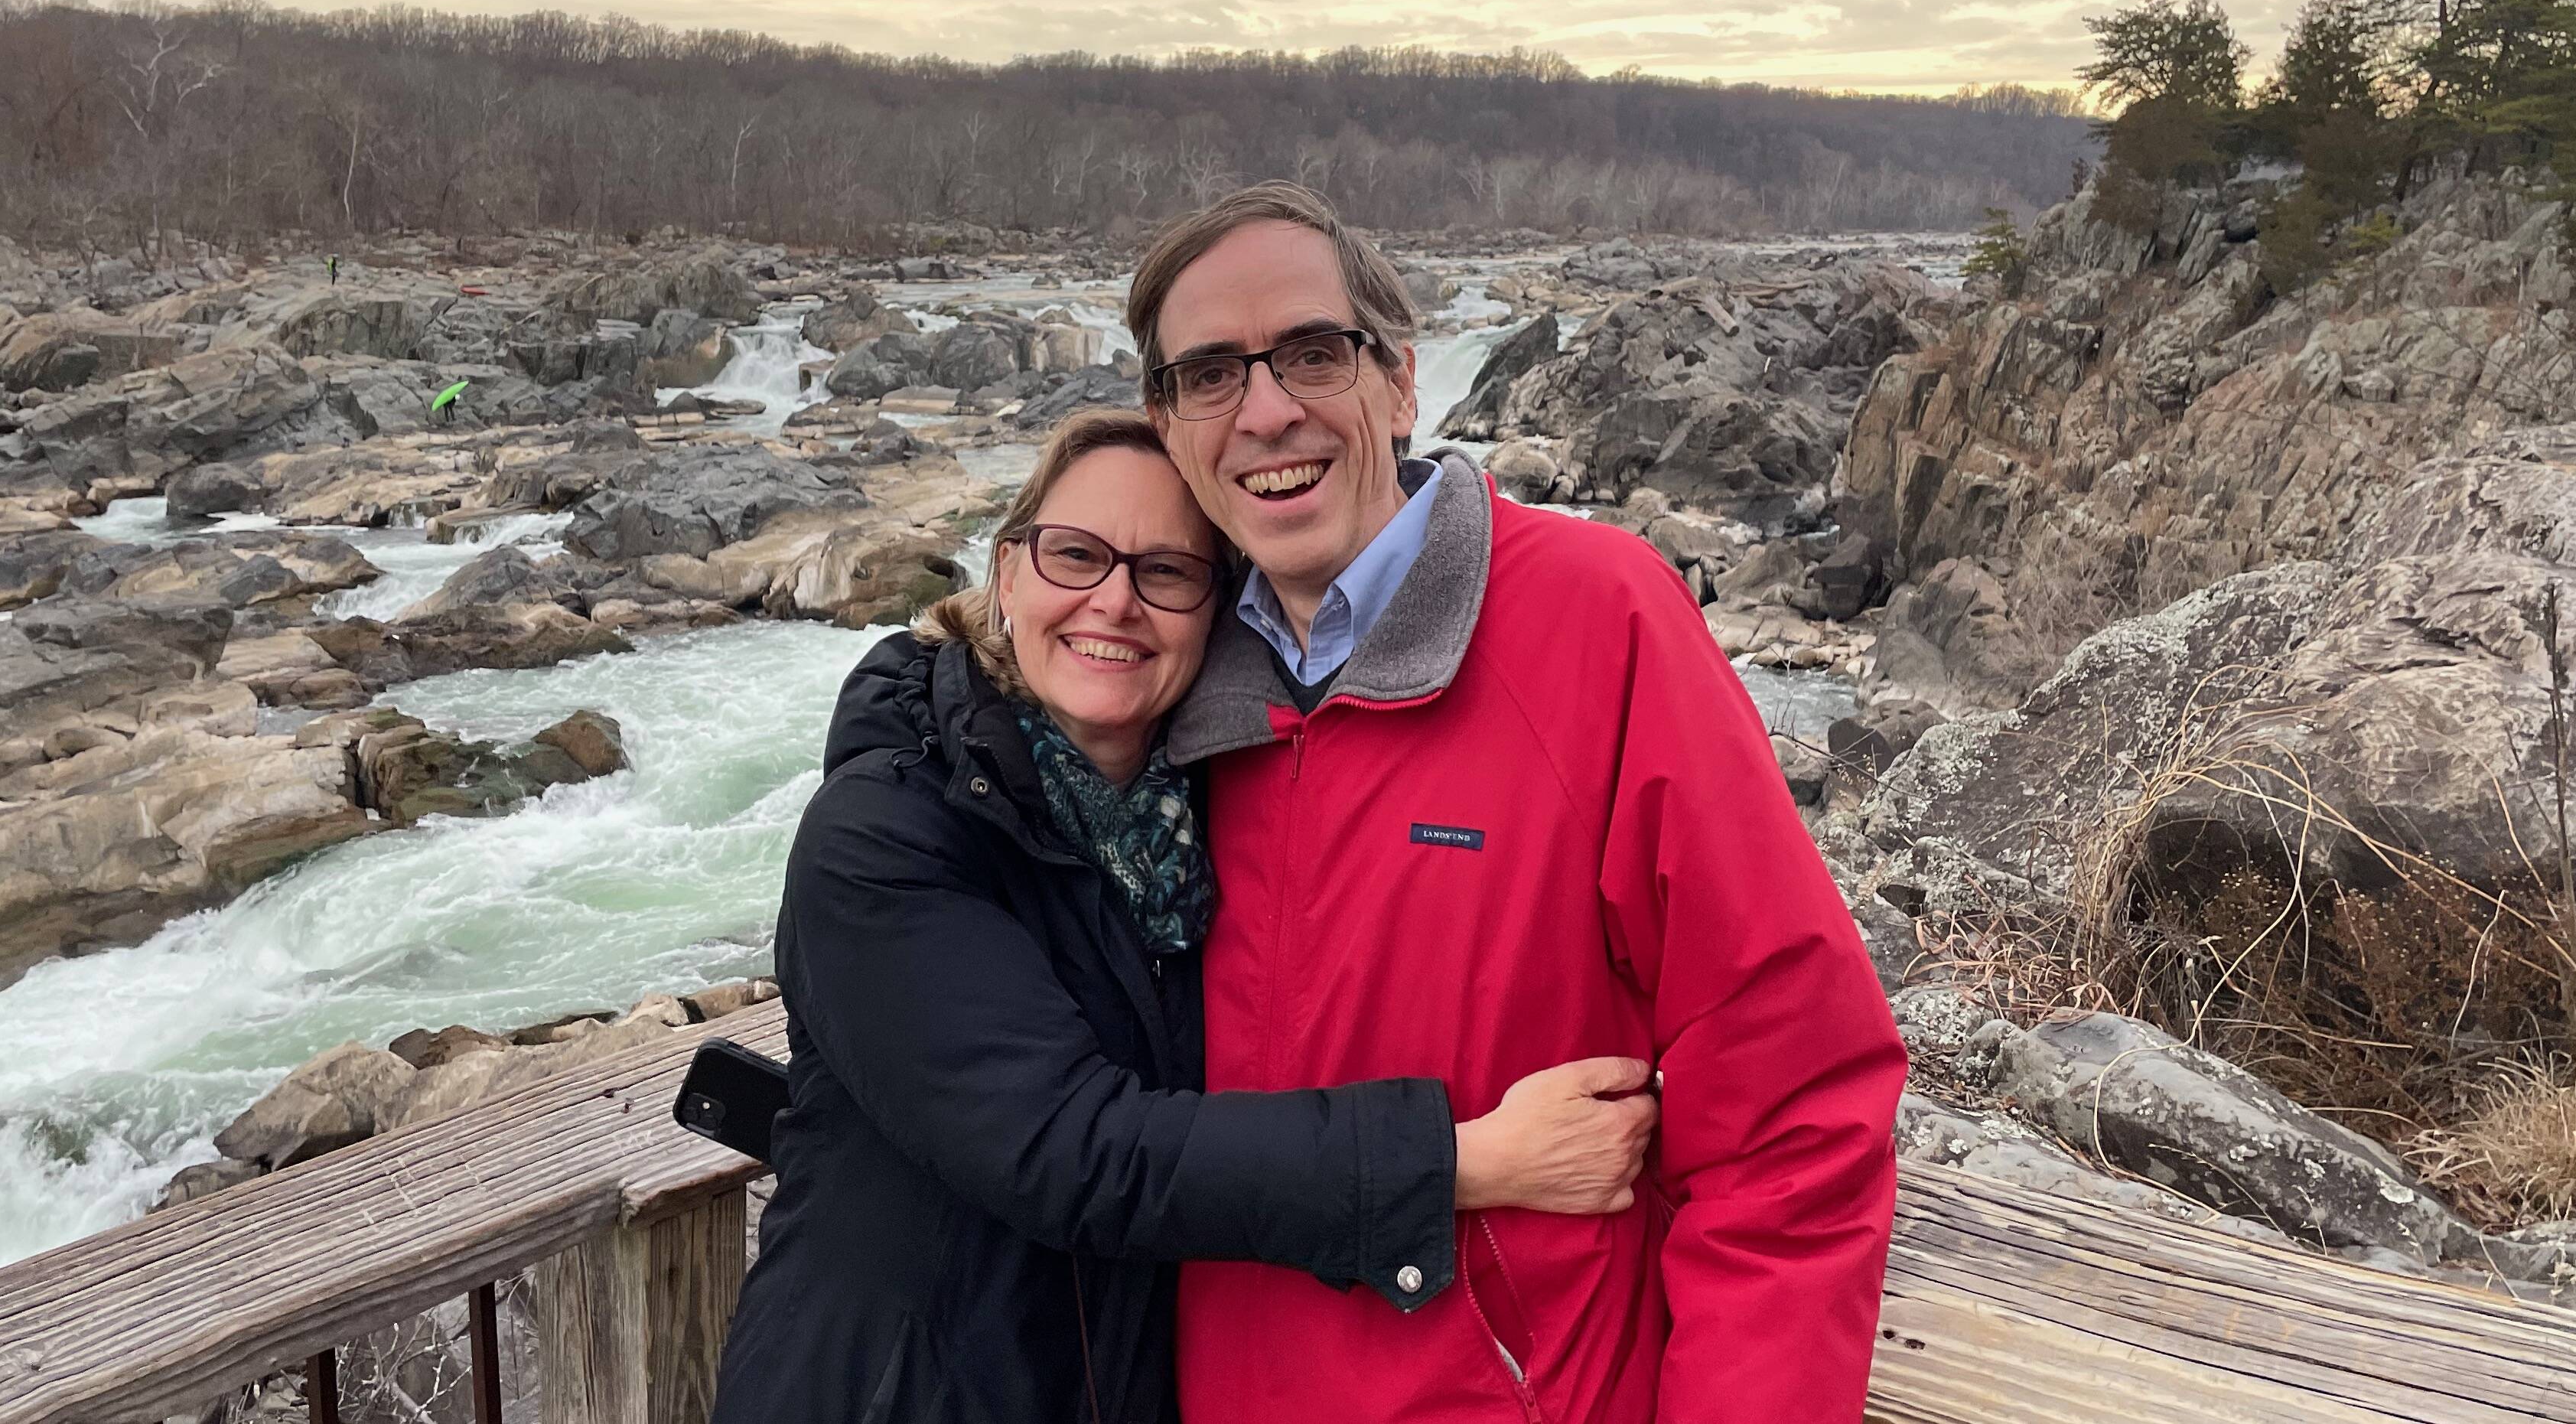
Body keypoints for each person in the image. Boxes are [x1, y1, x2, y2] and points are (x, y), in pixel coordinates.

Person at [711, 409, 1662, 1424]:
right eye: (1076, 555)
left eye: (1165, 571)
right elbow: (1070, 1150)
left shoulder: (1204, 817)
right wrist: (1467, 1162)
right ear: (1009, 572)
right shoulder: (883, 834)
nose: (1114, 602)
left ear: (1219, 612)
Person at [1130, 184, 1908, 1422]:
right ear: (1166, 426)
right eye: (1212, 374)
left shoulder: (1599, 621)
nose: (1267, 410)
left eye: (1312, 356)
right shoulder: (1148, 689)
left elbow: (1792, 1116)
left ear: (1399, 383)